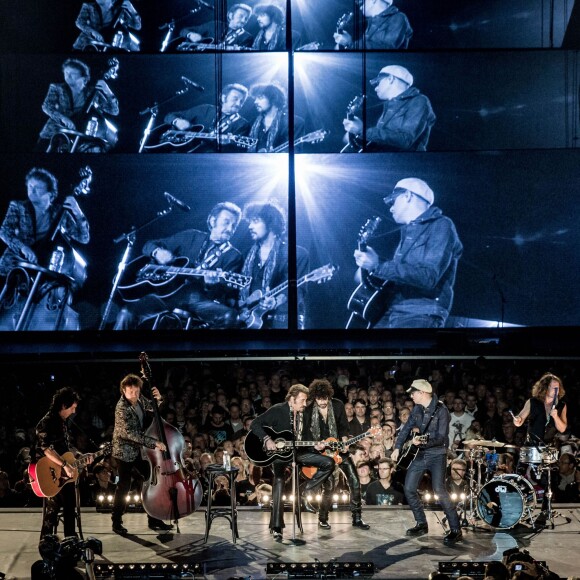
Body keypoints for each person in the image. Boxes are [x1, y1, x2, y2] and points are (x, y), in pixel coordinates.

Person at [114, 201, 243, 329]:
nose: (230, 229)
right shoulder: (191, 235)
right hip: (164, 295)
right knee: (127, 313)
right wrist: (157, 252)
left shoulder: (234, 256)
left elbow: (225, 294)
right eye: (226, 222)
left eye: (234, 226)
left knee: (230, 316)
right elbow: (148, 245)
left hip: (197, 300)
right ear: (213, 221)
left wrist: (211, 286)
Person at [353, 177, 463, 328]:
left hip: (420, 313)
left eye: (393, 201)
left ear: (408, 196)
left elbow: (428, 277)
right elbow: (402, 275)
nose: (390, 208)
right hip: (393, 310)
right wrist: (371, 271)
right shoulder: (407, 232)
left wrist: (378, 266)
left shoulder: (441, 225)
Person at [249, 384, 335, 540]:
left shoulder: (304, 414)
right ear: (291, 399)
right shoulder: (278, 410)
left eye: (305, 400)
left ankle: (306, 491)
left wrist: (316, 444)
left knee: (328, 463)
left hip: (299, 453)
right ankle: (277, 527)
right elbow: (254, 424)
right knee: (279, 481)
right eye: (302, 400)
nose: (304, 403)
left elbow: (307, 437)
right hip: (280, 455)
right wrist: (267, 439)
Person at [391, 379, 462, 545]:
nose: (411, 396)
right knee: (408, 488)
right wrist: (397, 447)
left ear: (422, 393)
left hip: (437, 454)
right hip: (421, 454)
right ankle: (421, 523)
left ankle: (456, 529)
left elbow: (441, 438)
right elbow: (407, 428)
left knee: (439, 490)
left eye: (413, 393)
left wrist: (421, 442)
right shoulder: (417, 408)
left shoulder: (441, 410)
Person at [302, 379, 371, 529]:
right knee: (330, 486)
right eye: (319, 398)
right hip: (322, 454)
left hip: (339, 449)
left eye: (325, 398)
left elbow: (343, 428)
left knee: (354, 480)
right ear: (314, 397)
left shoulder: (338, 405)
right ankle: (323, 518)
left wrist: (345, 442)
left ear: (329, 396)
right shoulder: (307, 412)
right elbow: (305, 436)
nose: (322, 401)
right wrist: (316, 445)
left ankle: (357, 518)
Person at [111, 373, 173, 535]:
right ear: (123, 390)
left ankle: (154, 518)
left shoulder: (138, 399)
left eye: (137, 391)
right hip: (124, 452)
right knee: (124, 486)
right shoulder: (121, 409)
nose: (135, 395)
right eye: (131, 392)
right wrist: (155, 443)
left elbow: (152, 407)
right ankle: (116, 521)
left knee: (149, 480)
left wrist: (159, 399)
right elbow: (132, 435)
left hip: (138, 450)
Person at [238, 201, 309, 329]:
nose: (250, 226)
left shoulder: (296, 254)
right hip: (248, 321)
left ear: (270, 224)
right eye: (249, 222)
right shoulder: (245, 255)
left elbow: (297, 290)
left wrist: (275, 301)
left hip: (282, 321)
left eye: (255, 221)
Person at [34, 387, 93, 538]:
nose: (74, 411)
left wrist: (80, 456)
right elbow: (46, 448)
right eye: (72, 408)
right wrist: (65, 465)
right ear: (63, 405)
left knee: (69, 505)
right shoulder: (46, 422)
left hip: (63, 472)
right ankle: (46, 542)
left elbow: (66, 448)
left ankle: (70, 539)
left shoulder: (62, 422)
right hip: (49, 472)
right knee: (55, 506)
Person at [342, 65, 436, 152]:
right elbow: (383, 141)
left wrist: (362, 130)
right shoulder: (389, 106)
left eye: (377, 83)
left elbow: (405, 140)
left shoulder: (419, 100)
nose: (375, 88)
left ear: (390, 79)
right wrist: (357, 135)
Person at [38, 58, 119, 153]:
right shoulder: (57, 88)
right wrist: (63, 118)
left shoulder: (92, 92)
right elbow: (46, 106)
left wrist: (107, 91)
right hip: (53, 135)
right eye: (66, 73)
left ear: (84, 77)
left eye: (72, 74)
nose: (68, 76)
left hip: (80, 141)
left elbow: (114, 111)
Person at [163, 84, 251, 152]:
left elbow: (237, 153)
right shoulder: (205, 108)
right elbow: (168, 116)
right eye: (235, 99)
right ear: (223, 98)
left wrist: (225, 145)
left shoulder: (243, 125)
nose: (239, 104)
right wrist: (176, 121)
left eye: (242, 101)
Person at [333, 0, 412, 50]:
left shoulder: (399, 17)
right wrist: (342, 45)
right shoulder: (368, 23)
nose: (358, 4)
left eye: (361, 2)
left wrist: (350, 43)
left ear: (373, 1)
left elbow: (386, 48)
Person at [513, 373, 568, 445]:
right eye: (553, 388)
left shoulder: (562, 405)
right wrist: (517, 420)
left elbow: (563, 429)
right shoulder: (532, 402)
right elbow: (519, 420)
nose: (556, 391)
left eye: (557, 388)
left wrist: (556, 417)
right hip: (532, 446)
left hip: (550, 448)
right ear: (545, 388)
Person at [73, 0, 141, 52]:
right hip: (91, 40)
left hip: (111, 42)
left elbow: (137, 26)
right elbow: (79, 22)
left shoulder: (119, 8)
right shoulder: (89, 5)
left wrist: (132, 10)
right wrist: (93, 31)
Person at [247, 83, 298, 153]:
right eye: (255, 98)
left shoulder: (294, 122)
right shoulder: (252, 122)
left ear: (273, 99)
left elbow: (295, 152)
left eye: (260, 98)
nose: (255, 102)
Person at [181, 3, 254, 50]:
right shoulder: (214, 24)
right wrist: (190, 35)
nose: (243, 20)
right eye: (241, 16)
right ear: (231, 15)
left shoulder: (247, 37)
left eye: (246, 18)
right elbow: (184, 30)